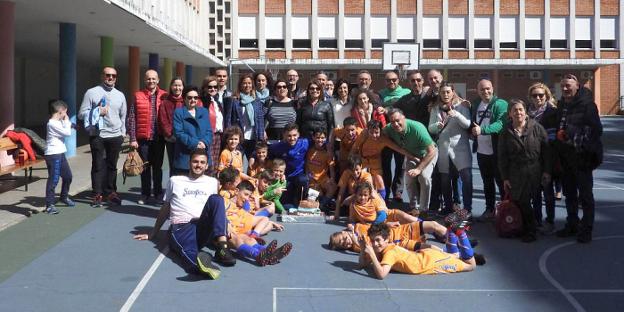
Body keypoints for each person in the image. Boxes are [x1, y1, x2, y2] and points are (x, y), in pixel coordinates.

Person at [133, 149, 236, 278]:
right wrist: (154, 232)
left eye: (202, 162)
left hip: (202, 226)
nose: (198, 165)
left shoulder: (212, 182)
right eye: (195, 161)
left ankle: (223, 248)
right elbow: (166, 208)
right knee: (188, 251)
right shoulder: (175, 181)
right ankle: (200, 265)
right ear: (189, 163)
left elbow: (216, 208)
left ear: (207, 165)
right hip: (181, 227)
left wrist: (227, 223)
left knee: (217, 199)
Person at [554, 74, 603, 243]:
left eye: (568, 85)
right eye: (563, 86)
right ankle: (572, 224)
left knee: (585, 196)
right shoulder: (562, 104)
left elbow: (595, 131)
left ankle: (586, 229)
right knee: (569, 194)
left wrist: (570, 135)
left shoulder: (588, 105)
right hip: (566, 157)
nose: (565, 89)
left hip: (583, 157)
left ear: (578, 86)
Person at [498, 99, 552, 243]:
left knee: (536, 199)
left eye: (521, 109)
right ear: (510, 113)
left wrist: (547, 171)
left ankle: (535, 226)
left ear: (525, 112)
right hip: (516, 172)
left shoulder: (537, 128)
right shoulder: (506, 132)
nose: (518, 113)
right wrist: (505, 178)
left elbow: (546, 151)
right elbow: (502, 157)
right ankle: (529, 229)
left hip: (535, 170)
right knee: (522, 201)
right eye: (514, 110)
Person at [78, 66, 127, 207]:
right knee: (98, 165)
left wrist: (122, 133)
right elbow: (81, 114)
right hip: (98, 135)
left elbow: (123, 116)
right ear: (102, 76)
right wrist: (97, 111)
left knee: (112, 166)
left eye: (113, 76)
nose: (110, 78)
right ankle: (97, 194)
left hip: (115, 135)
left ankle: (110, 192)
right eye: (107, 75)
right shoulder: (91, 92)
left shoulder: (120, 95)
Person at [358, 223, 478, 279]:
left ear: (387, 239)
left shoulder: (390, 253)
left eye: (378, 240)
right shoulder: (386, 248)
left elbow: (381, 275)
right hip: (427, 256)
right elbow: (362, 264)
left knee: (471, 265)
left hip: (432, 262)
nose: (375, 244)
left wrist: (372, 254)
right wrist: (363, 248)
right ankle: (452, 232)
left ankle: (461, 233)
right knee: (454, 256)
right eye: (373, 241)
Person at [427, 82, 473, 215]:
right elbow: (430, 127)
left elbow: (467, 125)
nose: (445, 94)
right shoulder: (435, 108)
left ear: (453, 92)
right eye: (443, 92)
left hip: (460, 146)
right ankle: (448, 207)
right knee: (445, 179)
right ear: (439, 94)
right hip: (444, 147)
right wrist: (437, 126)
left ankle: (467, 209)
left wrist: (456, 115)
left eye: (448, 91)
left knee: (466, 177)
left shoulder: (461, 105)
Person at [384, 108, 438, 218]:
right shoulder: (389, 129)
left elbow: (431, 151)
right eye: (392, 121)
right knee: (409, 177)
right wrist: (409, 155)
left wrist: (419, 169)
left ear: (404, 118)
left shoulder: (417, 128)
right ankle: (414, 207)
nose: (395, 124)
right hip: (412, 155)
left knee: (424, 177)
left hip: (427, 154)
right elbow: (384, 139)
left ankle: (424, 210)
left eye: (398, 120)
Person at [351, 120, 418, 201]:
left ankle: (381, 203)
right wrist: (353, 162)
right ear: (367, 130)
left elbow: (399, 149)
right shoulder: (363, 135)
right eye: (371, 132)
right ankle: (360, 202)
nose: (374, 135)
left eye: (377, 132)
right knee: (364, 181)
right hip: (363, 160)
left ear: (381, 131)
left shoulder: (384, 139)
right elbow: (354, 149)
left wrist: (413, 157)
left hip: (376, 161)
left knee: (379, 181)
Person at [471, 79, 508, 222]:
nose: (485, 92)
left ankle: (506, 210)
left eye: (488, 88)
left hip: (497, 151)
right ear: (478, 91)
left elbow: (500, 124)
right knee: (487, 182)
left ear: (493, 88)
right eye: (482, 89)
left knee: (501, 182)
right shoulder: (475, 104)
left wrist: (482, 130)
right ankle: (490, 208)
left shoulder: (500, 104)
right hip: (481, 151)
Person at [128, 69, 167, 205]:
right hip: (143, 139)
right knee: (144, 167)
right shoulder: (137, 95)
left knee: (158, 168)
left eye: (153, 78)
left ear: (158, 80)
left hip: (159, 139)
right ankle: (145, 194)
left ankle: (158, 194)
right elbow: (132, 118)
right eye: (148, 79)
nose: (151, 81)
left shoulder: (164, 96)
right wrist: (132, 138)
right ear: (145, 80)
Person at [527, 82, 559, 235]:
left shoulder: (553, 112)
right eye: (535, 95)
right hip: (531, 160)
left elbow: (553, 138)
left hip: (547, 157)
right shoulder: (527, 112)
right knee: (535, 193)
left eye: (541, 95)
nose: (538, 98)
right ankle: (537, 220)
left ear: (546, 96)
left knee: (548, 192)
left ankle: (550, 221)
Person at [379, 71, 411, 202]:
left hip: (400, 134)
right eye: (388, 80)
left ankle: (397, 192)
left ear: (399, 80)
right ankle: (385, 190)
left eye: (394, 80)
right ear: (385, 81)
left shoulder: (406, 92)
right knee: (385, 164)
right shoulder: (381, 94)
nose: (391, 82)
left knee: (400, 165)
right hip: (386, 134)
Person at [223, 73, 266, 159]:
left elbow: (260, 120)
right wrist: (228, 137)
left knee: (253, 164)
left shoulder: (257, 101)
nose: (247, 85)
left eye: (249, 83)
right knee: (235, 163)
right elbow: (228, 120)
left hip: (254, 138)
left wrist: (260, 138)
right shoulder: (234, 100)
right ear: (240, 85)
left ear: (252, 85)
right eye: (244, 83)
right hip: (238, 138)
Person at [172, 86, 212, 176]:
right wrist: (196, 143)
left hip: (202, 154)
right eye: (189, 97)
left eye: (195, 97)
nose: (193, 100)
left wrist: (204, 143)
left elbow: (209, 131)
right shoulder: (178, 113)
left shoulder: (204, 111)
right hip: (185, 156)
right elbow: (178, 133)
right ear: (184, 99)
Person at [268, 123, 311, 207]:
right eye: (289, 136)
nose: (292, 138)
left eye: (294, 135)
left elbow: (321, 142)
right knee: (287, 206)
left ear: (298, 134)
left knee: (303, 180)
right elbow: (266, 152)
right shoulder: (277, 147)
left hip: (299, 176)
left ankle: (302, 201)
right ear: (284, 135)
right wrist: (254, 156)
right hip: (285, 178)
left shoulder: (305, 143)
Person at [43, 100, 74, 214]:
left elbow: (68, 128)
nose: (66, 115)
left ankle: (64, 197)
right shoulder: (51, 123)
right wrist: (67, 120)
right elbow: (67, 133)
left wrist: (69, 123)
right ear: (60, 111)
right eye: (65, 113)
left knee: (68, 177)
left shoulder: (59, 122)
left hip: (60, 153)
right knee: (54, 179)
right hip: (53, 154)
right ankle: (49, 204)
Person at [158, 77, 188, 175]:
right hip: (171, 139)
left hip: (185, 138)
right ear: (171, 87)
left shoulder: (187, 101)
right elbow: (163, 120)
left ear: (183, 87)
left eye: (179, 85)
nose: (177, 88)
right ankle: (173, 188)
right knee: (173, 164)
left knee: (185, 163)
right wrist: (170, 135)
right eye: (175, 85)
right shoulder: (165, 102)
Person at [306, 128, 337, 207]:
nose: (320, 140)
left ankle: (322, 205)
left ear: (325, 139)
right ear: (313, 138)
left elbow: (331, 167)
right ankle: (322, 202)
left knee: (333, 187)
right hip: (312, 180)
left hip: (323, 179)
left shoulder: (327, 152)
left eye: (322, 138)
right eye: (318, 137)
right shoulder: (309, 150)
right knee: (312, 201)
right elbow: (306, 165)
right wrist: (308, 176)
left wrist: (332, 179)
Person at [199, 76, 224, 176]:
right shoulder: (201, 102)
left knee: (216, 163)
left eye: (215, 87)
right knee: (208, 163)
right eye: (210, 87)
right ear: (205, 88)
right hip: (208, 135)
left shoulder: (216, 101)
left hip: (218, 136)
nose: (213, 89)